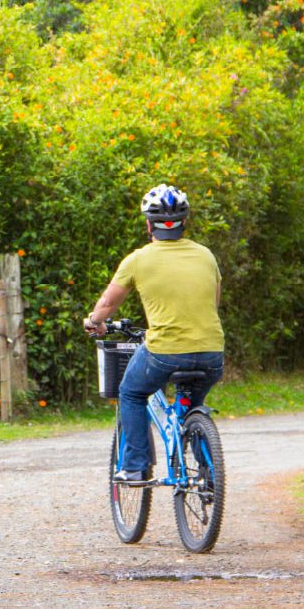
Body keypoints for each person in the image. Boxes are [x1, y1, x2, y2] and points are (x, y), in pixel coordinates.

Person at [83, 184, 224, 482]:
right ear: (184, 223)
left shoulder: (138, 259)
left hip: (165, 352)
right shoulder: (206, 256)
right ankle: (207, 472)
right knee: (193, 405)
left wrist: (94, 321)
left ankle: (134, 466)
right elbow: (213, 302)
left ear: (149, 225)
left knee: (131, 392)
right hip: (212, 352)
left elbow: (108, 304)